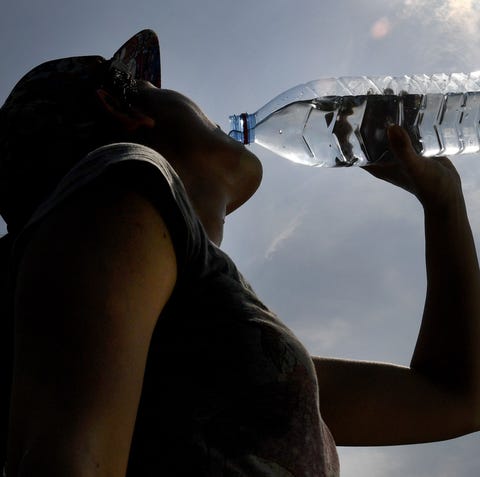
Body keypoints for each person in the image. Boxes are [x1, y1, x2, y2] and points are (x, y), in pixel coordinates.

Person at [0, 29, 479, 477]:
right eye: (157, 87)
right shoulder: (121, 188)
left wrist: (443, 202)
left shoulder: (232, 351)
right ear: (126, 111)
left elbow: (459, 399)